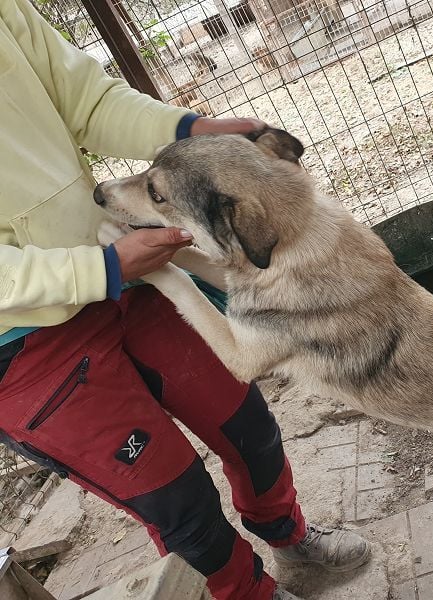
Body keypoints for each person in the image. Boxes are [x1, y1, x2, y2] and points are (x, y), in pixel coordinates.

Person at [0, 1, 370, 598]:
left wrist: (194, 130)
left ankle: (293, 544)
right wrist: (99, 266)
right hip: (21, 344)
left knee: (246, 422)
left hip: (115, 270)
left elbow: (88, 101)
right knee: (179, 500)